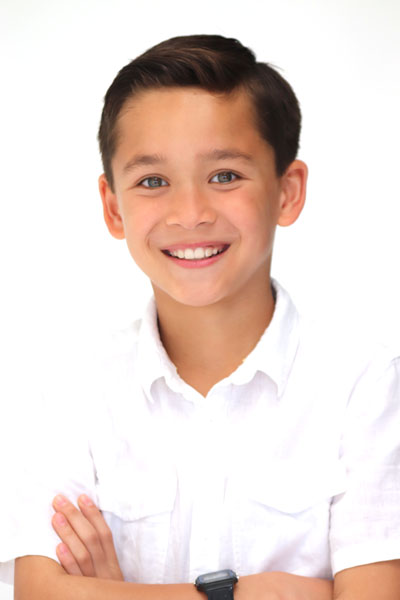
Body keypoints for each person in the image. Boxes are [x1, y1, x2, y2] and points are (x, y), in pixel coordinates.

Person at [1, 34, 400, 600]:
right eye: (153, 182)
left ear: (288, 192)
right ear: (113, 207)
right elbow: (40, 591)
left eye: (225, 176)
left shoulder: (365, 384)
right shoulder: (73, 388)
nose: (190, 214)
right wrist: (266, 593)